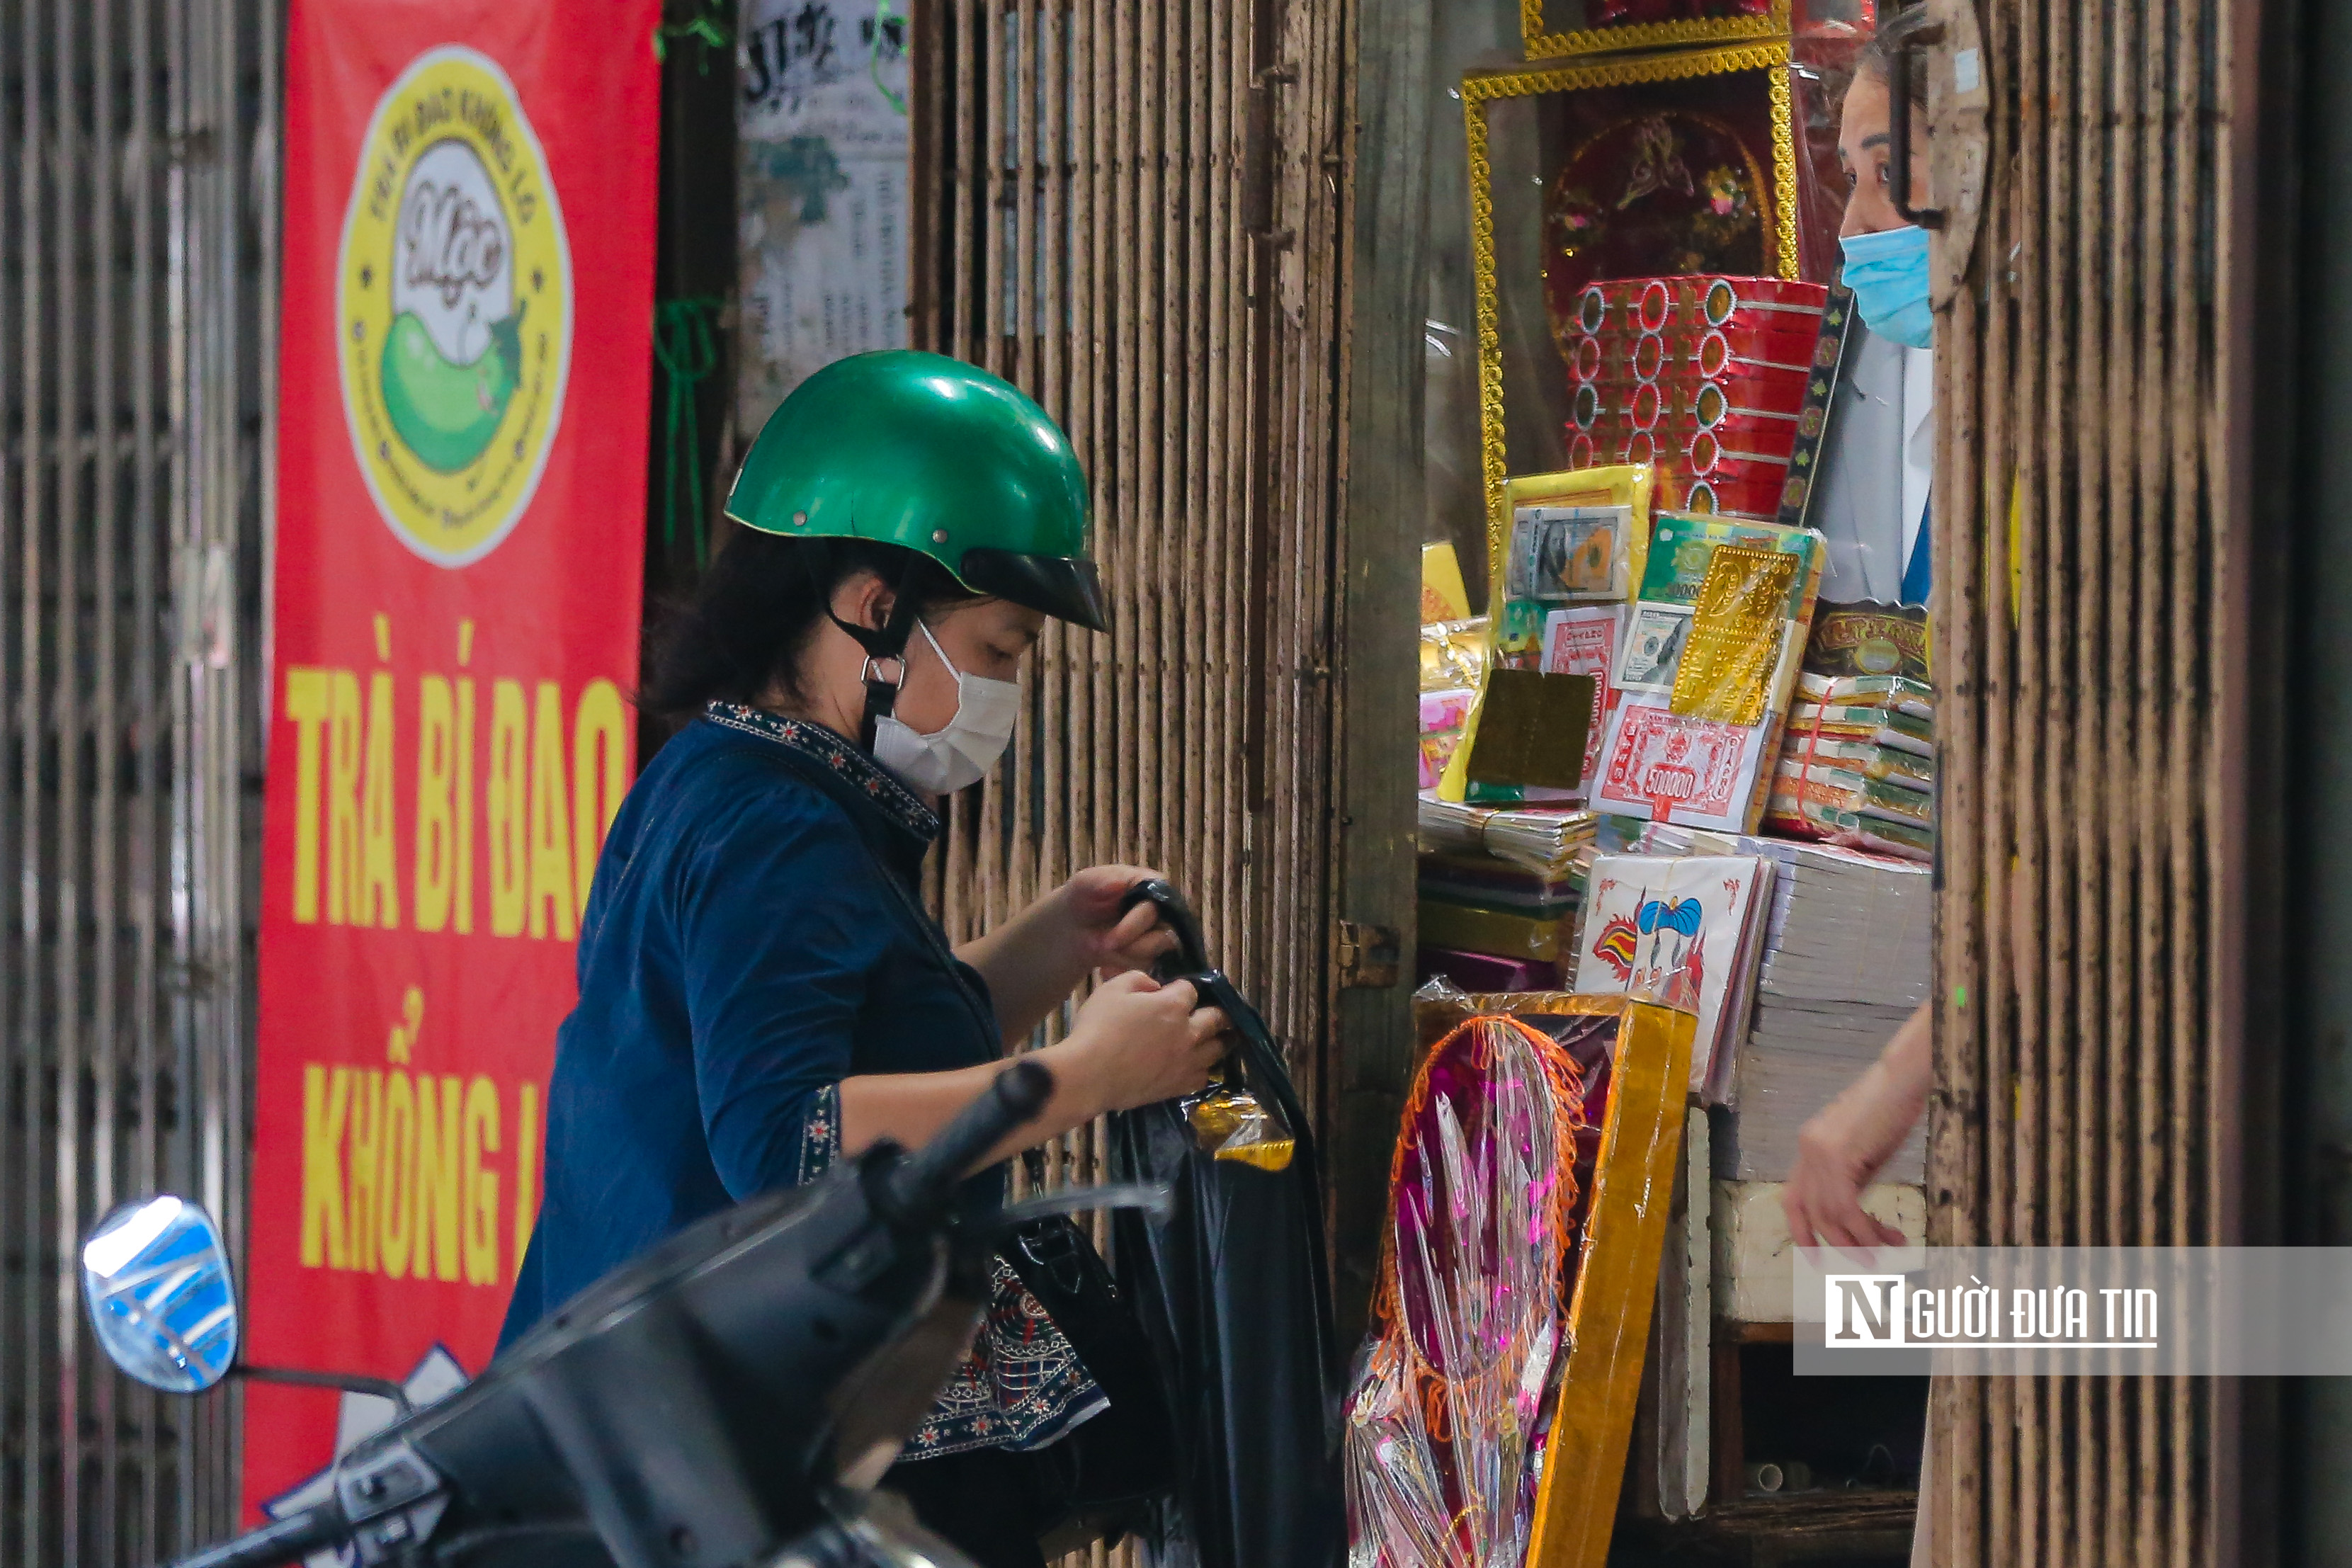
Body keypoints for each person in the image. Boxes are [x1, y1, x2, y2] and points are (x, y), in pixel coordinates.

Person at [497, 350, 1229, 1568]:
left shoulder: (732, 776)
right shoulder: (774, 830)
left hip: (658, 1435)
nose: (1005, 687)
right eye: (996, 648)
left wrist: (1051, 950)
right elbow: (788, 1138)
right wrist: (1082, 1079)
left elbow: (869, 1040)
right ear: (874, 607)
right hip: (709, 1466)